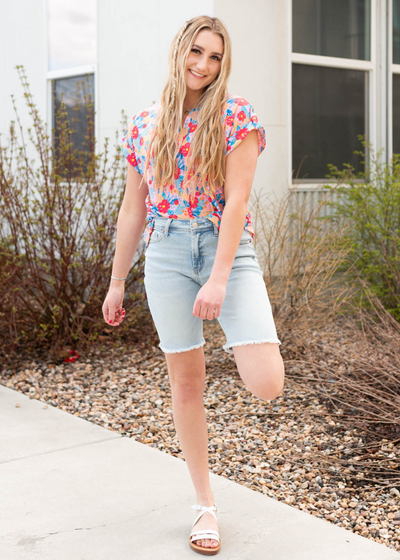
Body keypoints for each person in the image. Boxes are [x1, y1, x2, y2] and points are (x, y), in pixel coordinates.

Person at [102, 15, 285, 556]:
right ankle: (204, 505)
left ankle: (247, 332)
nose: (203, 66)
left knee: (267, 382)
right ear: (180, 50)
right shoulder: (144, 123)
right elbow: (132, 209)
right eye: (197, 52)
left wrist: (221, 279)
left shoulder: (235, 114)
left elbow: (238, 203)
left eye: (214, 57)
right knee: (186, 383)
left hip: (225, 247)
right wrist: (116, 283)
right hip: (166, 254)